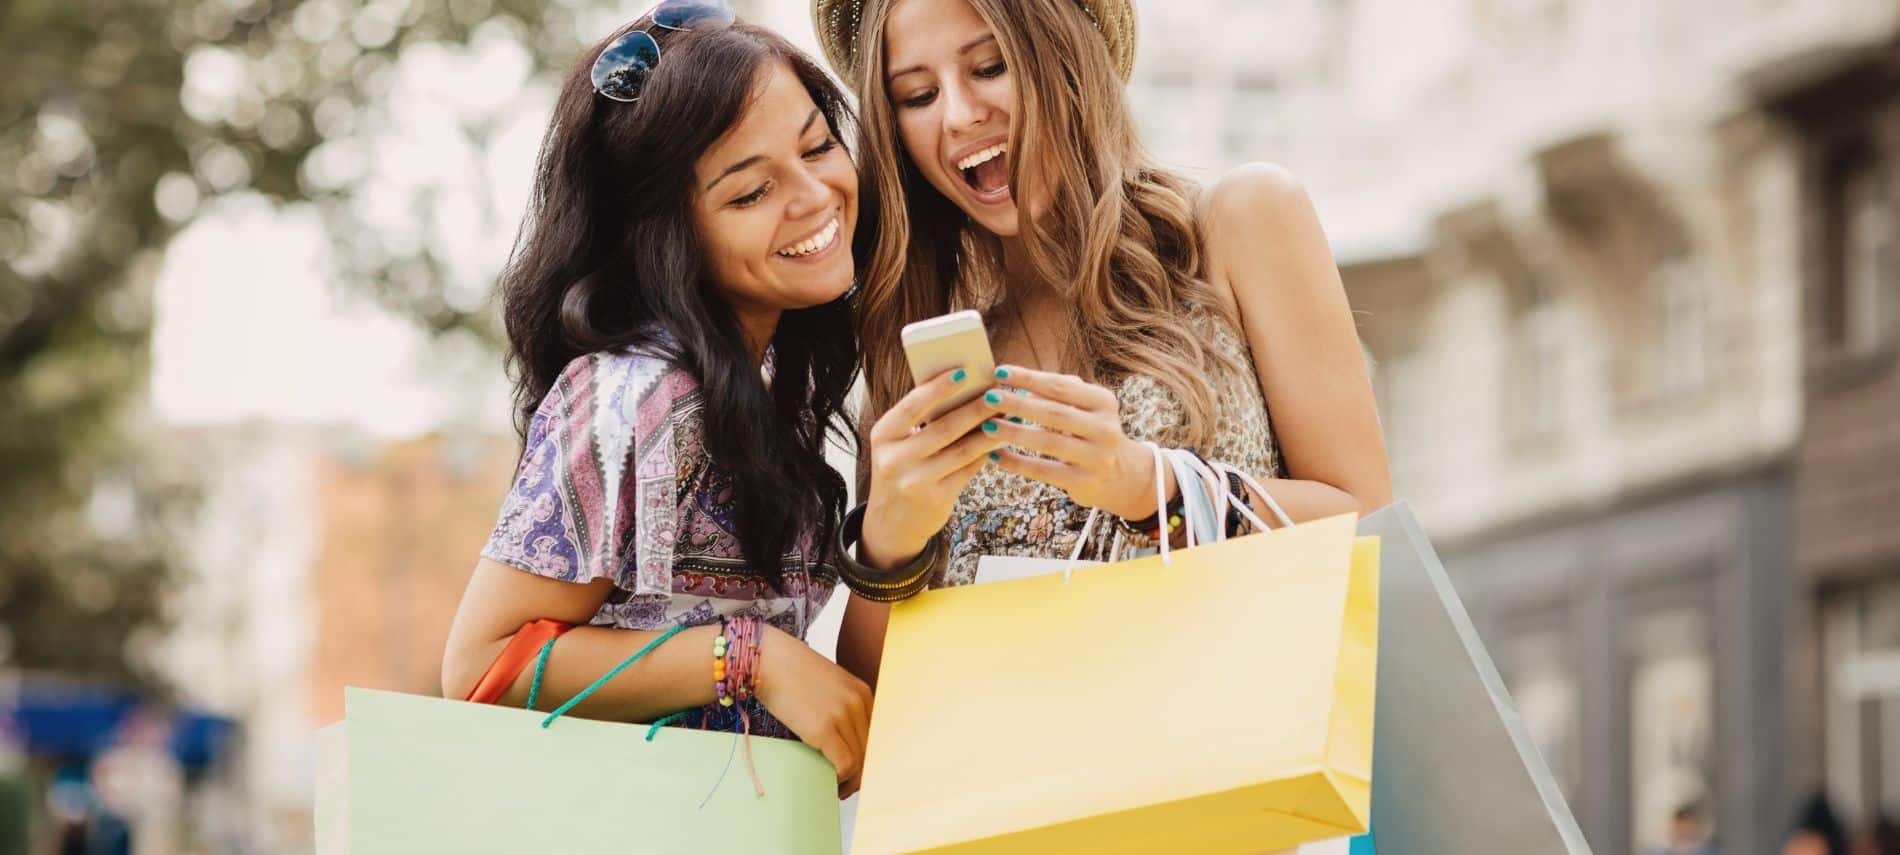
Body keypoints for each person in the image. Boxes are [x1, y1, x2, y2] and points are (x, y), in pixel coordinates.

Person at [814, 0, 1393, 684]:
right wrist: (888, 542)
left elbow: (1371, 531)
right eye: (918, 94)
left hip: (1238, 761)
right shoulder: (924, 352)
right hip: (1033, 784)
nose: (959, 115)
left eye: (990, 66)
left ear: (1068, 53)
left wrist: (1148, 485)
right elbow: (871, 711)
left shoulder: (1240, 224)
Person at [440, 1, 873, 797]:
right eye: (750, 193)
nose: (814, 194)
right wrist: (750, 656)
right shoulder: (630, 393)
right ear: (670, 235)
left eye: (818, 146)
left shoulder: (775, 386)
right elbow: (482, 668)